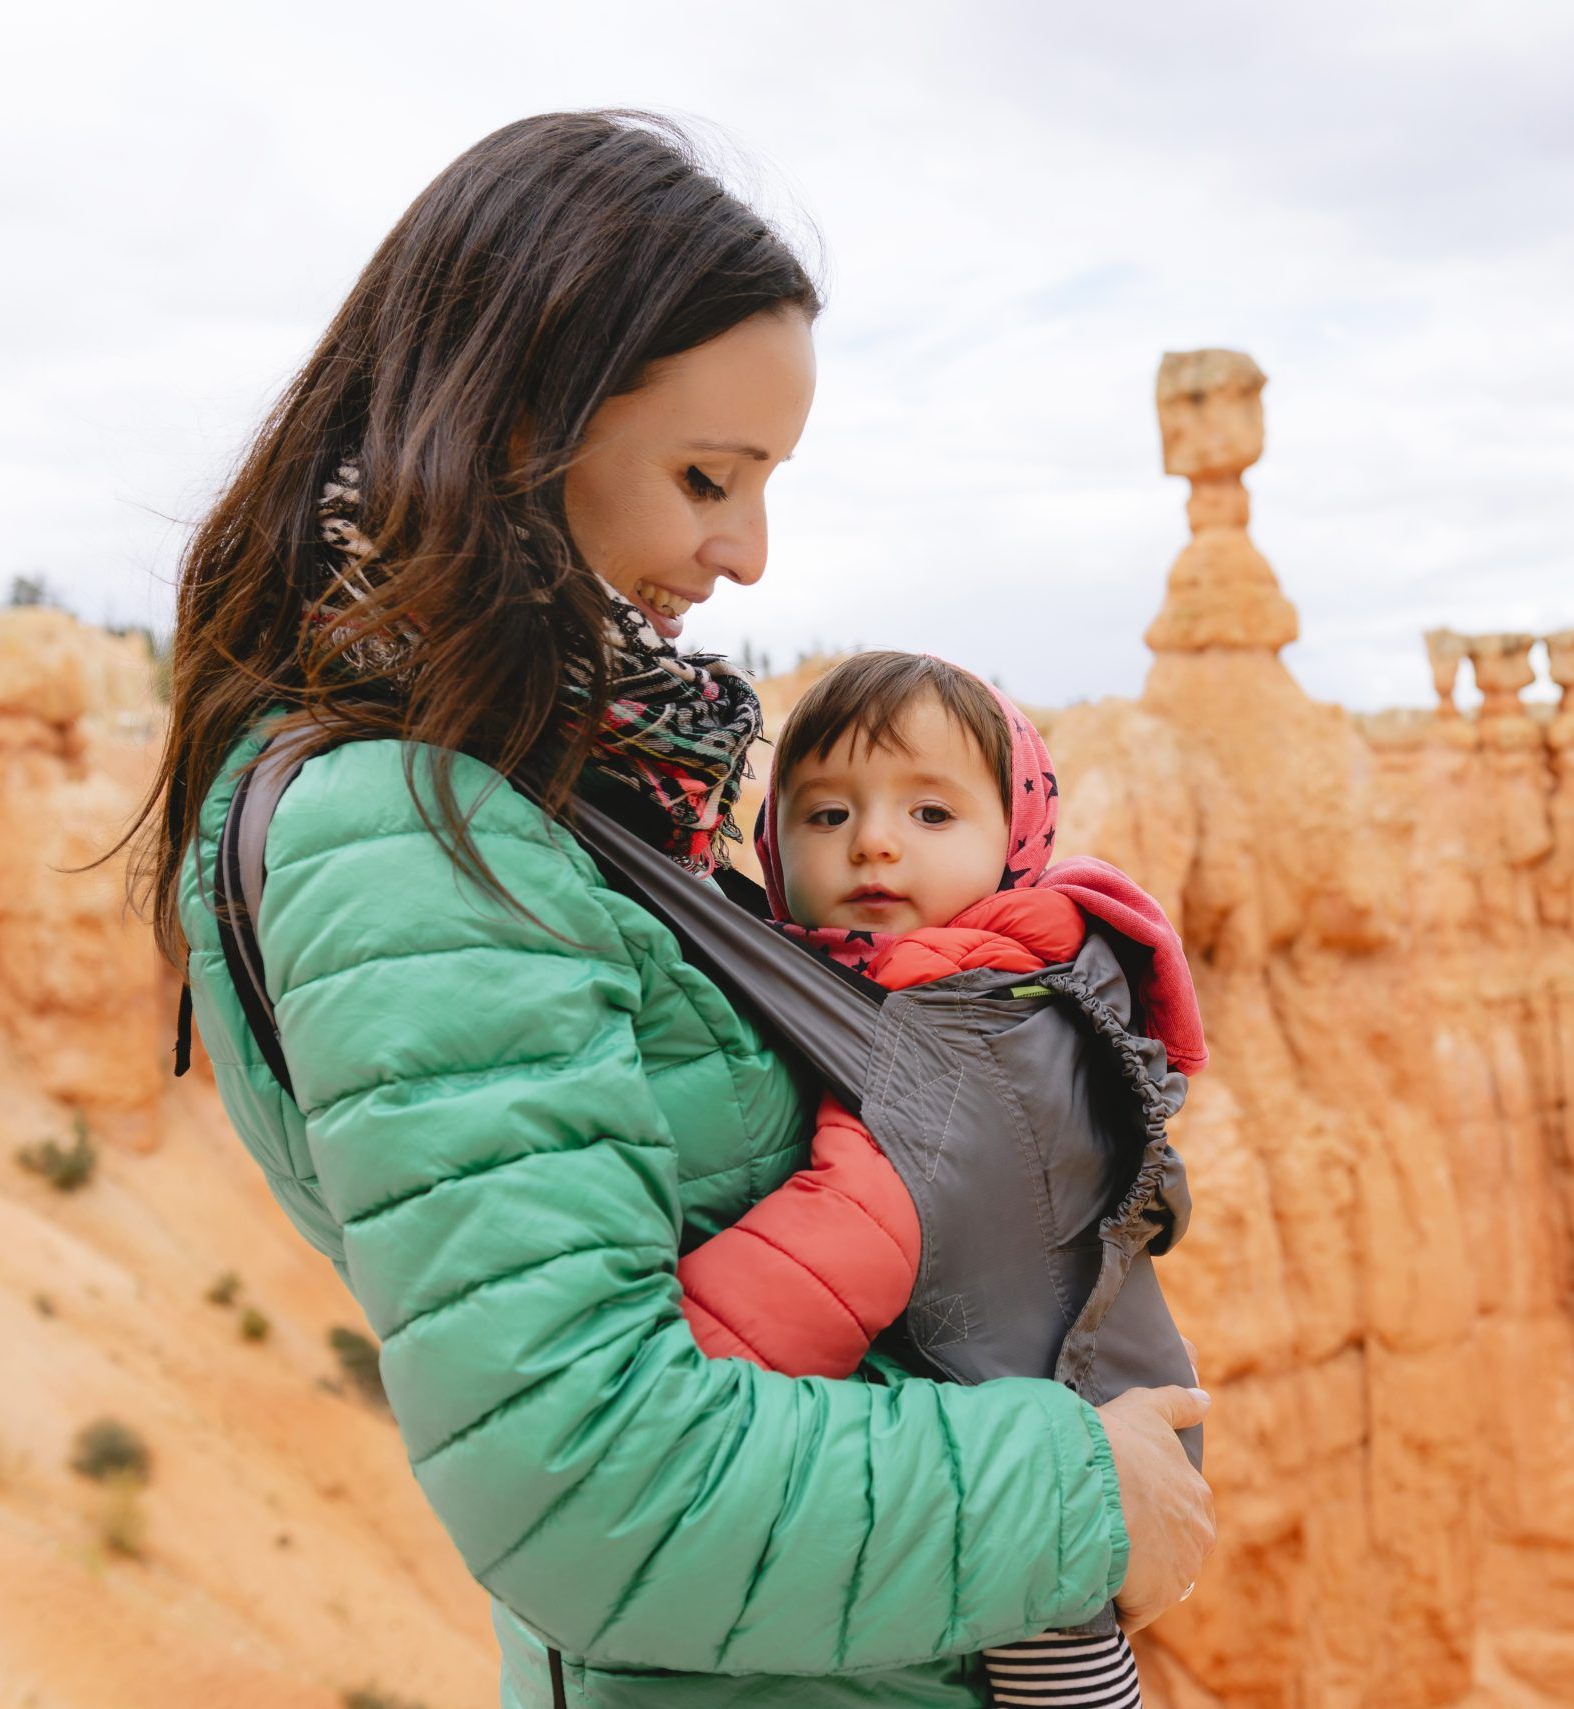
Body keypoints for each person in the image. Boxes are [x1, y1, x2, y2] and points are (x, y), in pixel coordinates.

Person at [131, 109, 1212, 1709]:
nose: (748, 551)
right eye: (708, 477)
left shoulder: (566, 789)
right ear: (517, 428)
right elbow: (587, 1479)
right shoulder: (407, 825)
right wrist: (1077, 1491)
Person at [672, 649, 1209, 1709]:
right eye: (826, 815)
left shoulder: (961, 1023)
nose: (873, 839)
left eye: (928, 812)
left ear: (1013, 841)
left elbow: (860, 1226)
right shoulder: (1014, 976)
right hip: (1062, 1408)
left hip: (1062, 1448)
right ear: (775, 846)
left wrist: (664, 1360)